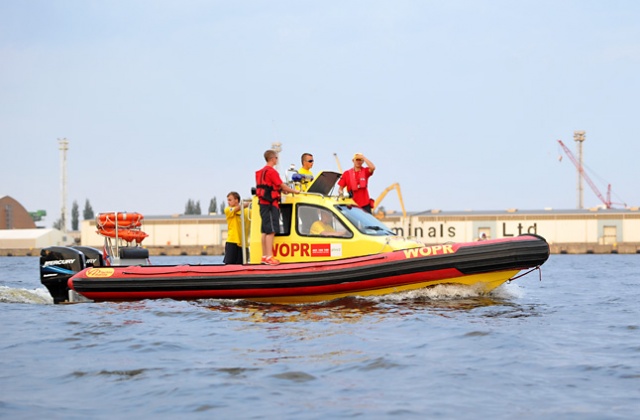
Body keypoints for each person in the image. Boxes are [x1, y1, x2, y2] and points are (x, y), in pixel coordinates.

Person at [256, 149, 299, 265]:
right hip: (270, 204)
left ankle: (264, 256)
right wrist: (294, 191)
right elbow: (282, 185)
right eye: (276, 158)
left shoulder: (261, 172)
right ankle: (269, 256)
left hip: (263, 204)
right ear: (272, 158)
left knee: (265, 230)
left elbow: (272, 186)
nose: (277, 160)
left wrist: (280, 190)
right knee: (271, 231)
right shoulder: (272, 172)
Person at [223, 192, 250, 264]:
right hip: (232, 241)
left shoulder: (247, 212)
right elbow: (236, 209)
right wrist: (245, 205)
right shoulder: (228, 210)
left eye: (230, 200)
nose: (228, 202)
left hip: (244, 243)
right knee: (229, 264)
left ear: (236, 200)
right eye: (228, 200)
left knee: (242, 263)